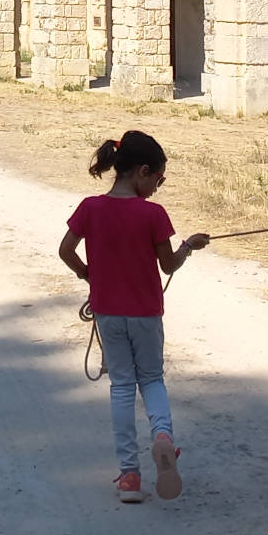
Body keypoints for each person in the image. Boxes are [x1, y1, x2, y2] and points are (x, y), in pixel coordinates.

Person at [57, 130, 210, 503]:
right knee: (153, 380)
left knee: (122, 387)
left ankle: (129, 476)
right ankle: (163, 438)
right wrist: (188, 246)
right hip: (145, 313)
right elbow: (168, 263)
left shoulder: (90, 208)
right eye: (158, 178)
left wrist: (88, 274)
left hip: (108, 313)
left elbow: (65, 250)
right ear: (142, 171)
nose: (159, 186)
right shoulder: (153, 214)